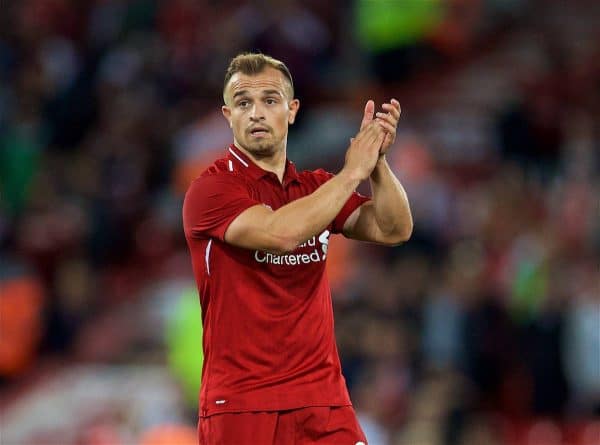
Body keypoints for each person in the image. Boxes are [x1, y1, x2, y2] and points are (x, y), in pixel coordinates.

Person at [183, 52, 413, 445]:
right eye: (243, 103)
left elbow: (394, 228)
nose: (256, 113)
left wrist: (377, 165)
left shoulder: (314, 188)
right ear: (228, 116)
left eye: (269, 100)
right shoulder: (211, 190)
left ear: (291, 111)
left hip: (324, 401)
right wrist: (352, 172)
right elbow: (280, 232)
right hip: (243, 404)